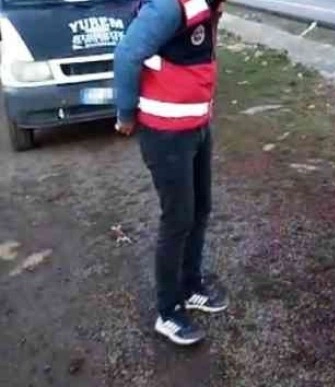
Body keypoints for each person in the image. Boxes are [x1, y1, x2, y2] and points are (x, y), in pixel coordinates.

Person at [113, 0, 228, 346]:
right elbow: (126, 56)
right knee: (177, 219)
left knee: (200, 209)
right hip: (166, 135)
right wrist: (126, 114)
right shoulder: (168, 7)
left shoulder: (206, 6)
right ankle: (168, 311)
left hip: (196, 128)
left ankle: (191, 285)